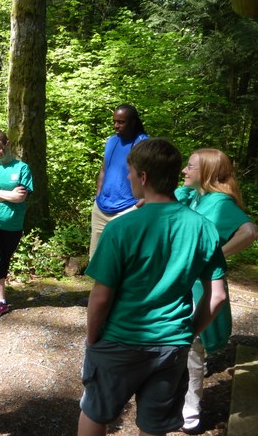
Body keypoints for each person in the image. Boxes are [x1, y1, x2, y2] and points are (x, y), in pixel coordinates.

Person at [78, 138, 228, 436]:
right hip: (171, 346)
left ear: (144, 177)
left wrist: (93, 338)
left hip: (119, 340)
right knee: (154, 425)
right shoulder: (203, 228)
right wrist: (188, 334)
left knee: (96, 411)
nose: (129, 178)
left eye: (130, 172)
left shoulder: (121, 228)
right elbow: (218, 296)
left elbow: (101, 297)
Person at [177, 148, 258, 434]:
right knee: (182, 346)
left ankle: (191, 412)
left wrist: (216, 258)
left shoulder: (219, 203)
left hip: (201, 288)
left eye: (190, 167)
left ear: (208, 173)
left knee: (192, 348)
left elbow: (249, 231)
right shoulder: (196, 197)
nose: (184, 171)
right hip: (186, 285)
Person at [0, 129, 33, 319]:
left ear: (7, 144)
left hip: (13, 224)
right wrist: (8, 194)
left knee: (4, 258)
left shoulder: (22, 168)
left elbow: (20, 197)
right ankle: (2, 301)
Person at [90, 104, 148, 258]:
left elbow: (153, 177)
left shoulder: (144, 145)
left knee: (121, 260)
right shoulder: (111, 141)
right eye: (114, 121)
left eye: (121, 122)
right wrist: (98, 196)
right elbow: (104, 169)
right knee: (96, 259)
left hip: (127, 209)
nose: (116, 126)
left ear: (133, 122)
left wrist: (137, 205)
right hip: (101, 208)